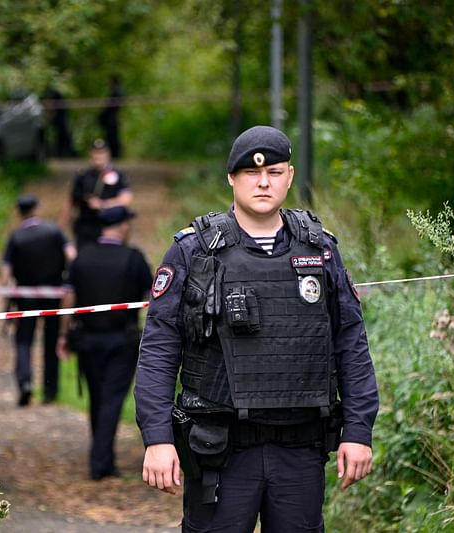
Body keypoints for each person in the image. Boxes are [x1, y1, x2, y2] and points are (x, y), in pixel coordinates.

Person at [135, 126, 379, 532]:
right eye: (250, 172)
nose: (263, 182)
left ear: (290, 175)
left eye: (275, 172)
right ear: (231, 177)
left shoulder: (320, 250)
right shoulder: (193, 251)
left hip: (300, 449)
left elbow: (350, 344)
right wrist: (158, 438)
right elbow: (159, 349)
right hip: (220, 450)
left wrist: (358, 430)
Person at [57, 206, 153, 480]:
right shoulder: (133, 258)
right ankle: (100, 462)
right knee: (111, 398)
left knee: (97, 397)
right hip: (122, 339)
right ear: (122, 226)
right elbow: (153, 298)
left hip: (87, 338)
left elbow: (68, 298)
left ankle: (104, 458)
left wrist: (64, 335)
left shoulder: (82, 257)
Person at [1, 194, 76, 406]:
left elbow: (6, 272)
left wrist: (7, 298)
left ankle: (25, 382)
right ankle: (50, 389)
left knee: (24, 340)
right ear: (37, 209)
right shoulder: (54, 231)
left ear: (19, 212)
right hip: (54, 293)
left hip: (25, 296)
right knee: (52, 339)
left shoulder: (15, 237)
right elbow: (71, 255)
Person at [61, 138, 132, 250]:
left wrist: (103, 204)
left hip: (110, 227)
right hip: (87, 226)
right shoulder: (82, 177)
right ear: (90, 155)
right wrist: (61, 228)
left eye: (101, 153)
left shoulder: (118, 176)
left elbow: (126, 200)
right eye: (95, 153)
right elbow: (71, 203)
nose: (98, 156)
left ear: (108, 155)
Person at [98, 75, 124, 158]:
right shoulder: (117, 92)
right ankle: (114, 154)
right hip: (112, 118)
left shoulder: (117, 92)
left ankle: (115, 154)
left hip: (112, 119)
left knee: (112, 137)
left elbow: (111, 107)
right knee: (112, 137)